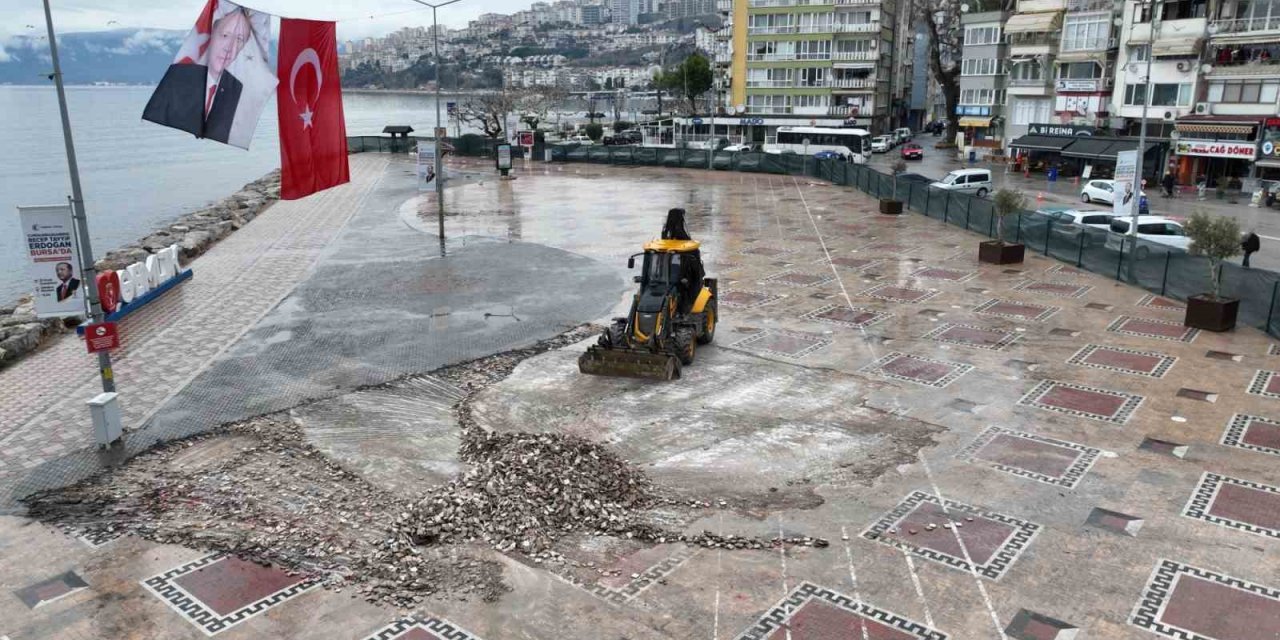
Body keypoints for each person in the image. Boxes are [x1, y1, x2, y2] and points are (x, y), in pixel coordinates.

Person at [142, 8, 251, 145]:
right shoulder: (179, 79)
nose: (229, 47)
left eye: (239, 39)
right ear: (211, 36)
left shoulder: (238, 90)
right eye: (224, 36)